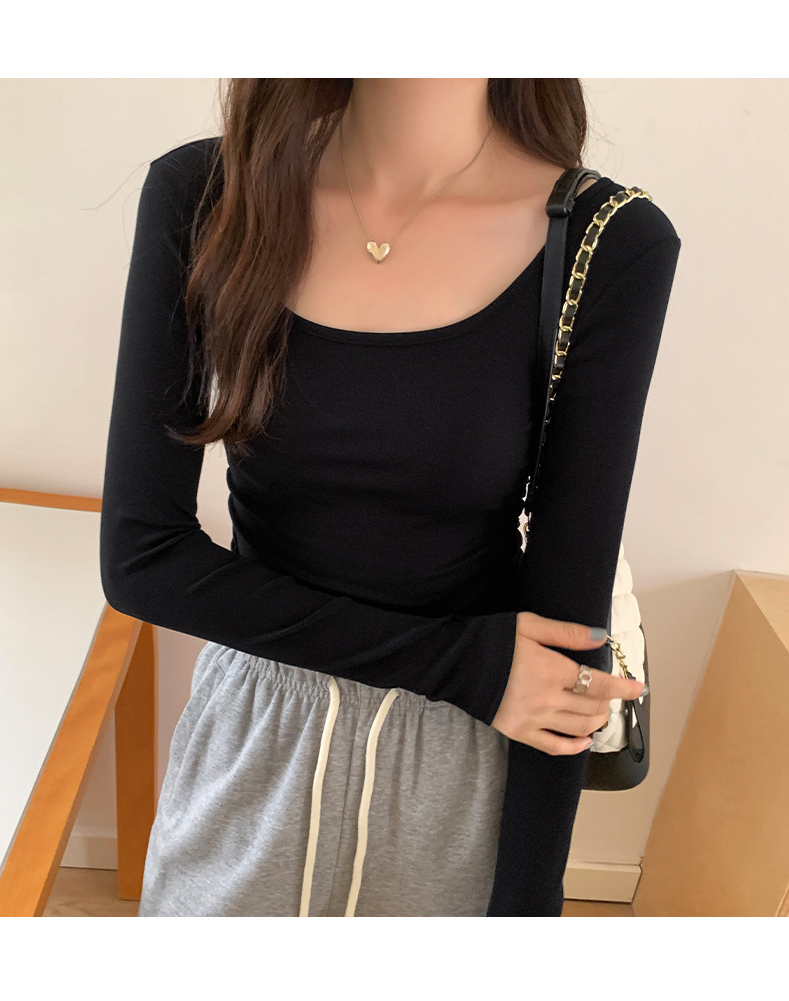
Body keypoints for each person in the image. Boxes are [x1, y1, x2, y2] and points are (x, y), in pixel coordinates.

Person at [100, 78, 680, 917]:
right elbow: (142, 559)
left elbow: (564, 649)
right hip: (253, 752)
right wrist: (466, 664)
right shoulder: (206, 193)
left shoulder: (606, 241)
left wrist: (525, 912)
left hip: (456, 780)